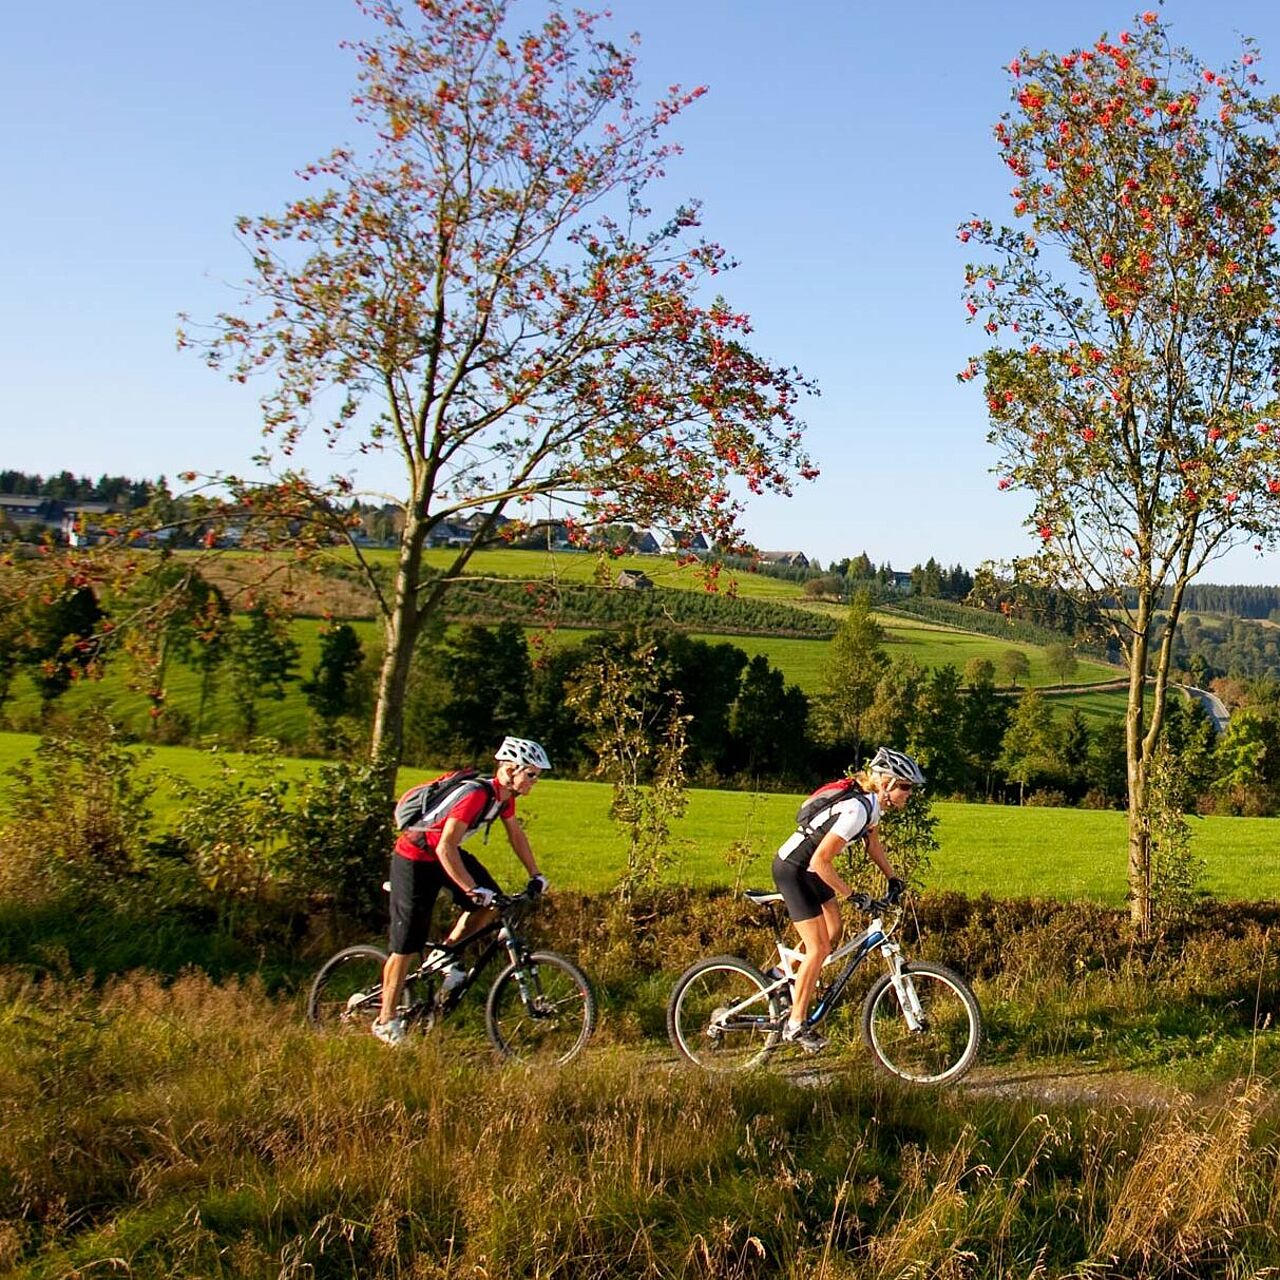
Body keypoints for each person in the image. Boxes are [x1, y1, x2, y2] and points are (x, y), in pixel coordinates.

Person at [372, 735, 552, 1046]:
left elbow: (516, 836)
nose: (535, 781)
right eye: (532, 774)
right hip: (415, 858)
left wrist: (536, 875)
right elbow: (445, 847)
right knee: (406, 943)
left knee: (495, 903)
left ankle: (443, 955)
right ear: (511, 770)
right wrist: (471, 888)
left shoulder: (504, 798)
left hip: (444, 854)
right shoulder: (475, 796)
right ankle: (386, 1019)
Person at [769, 746, 923, 1054]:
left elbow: (874, 846)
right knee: (819, 947)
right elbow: (822, 860)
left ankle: (780, 978)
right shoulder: (856, 810)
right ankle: (795, 1024)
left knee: (834, 930)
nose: (909, 793)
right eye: (905, 786)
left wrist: (893, 878)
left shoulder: (871, 807)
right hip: (794, 870)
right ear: (886, 784)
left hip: (810, 870)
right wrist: (854, 896)